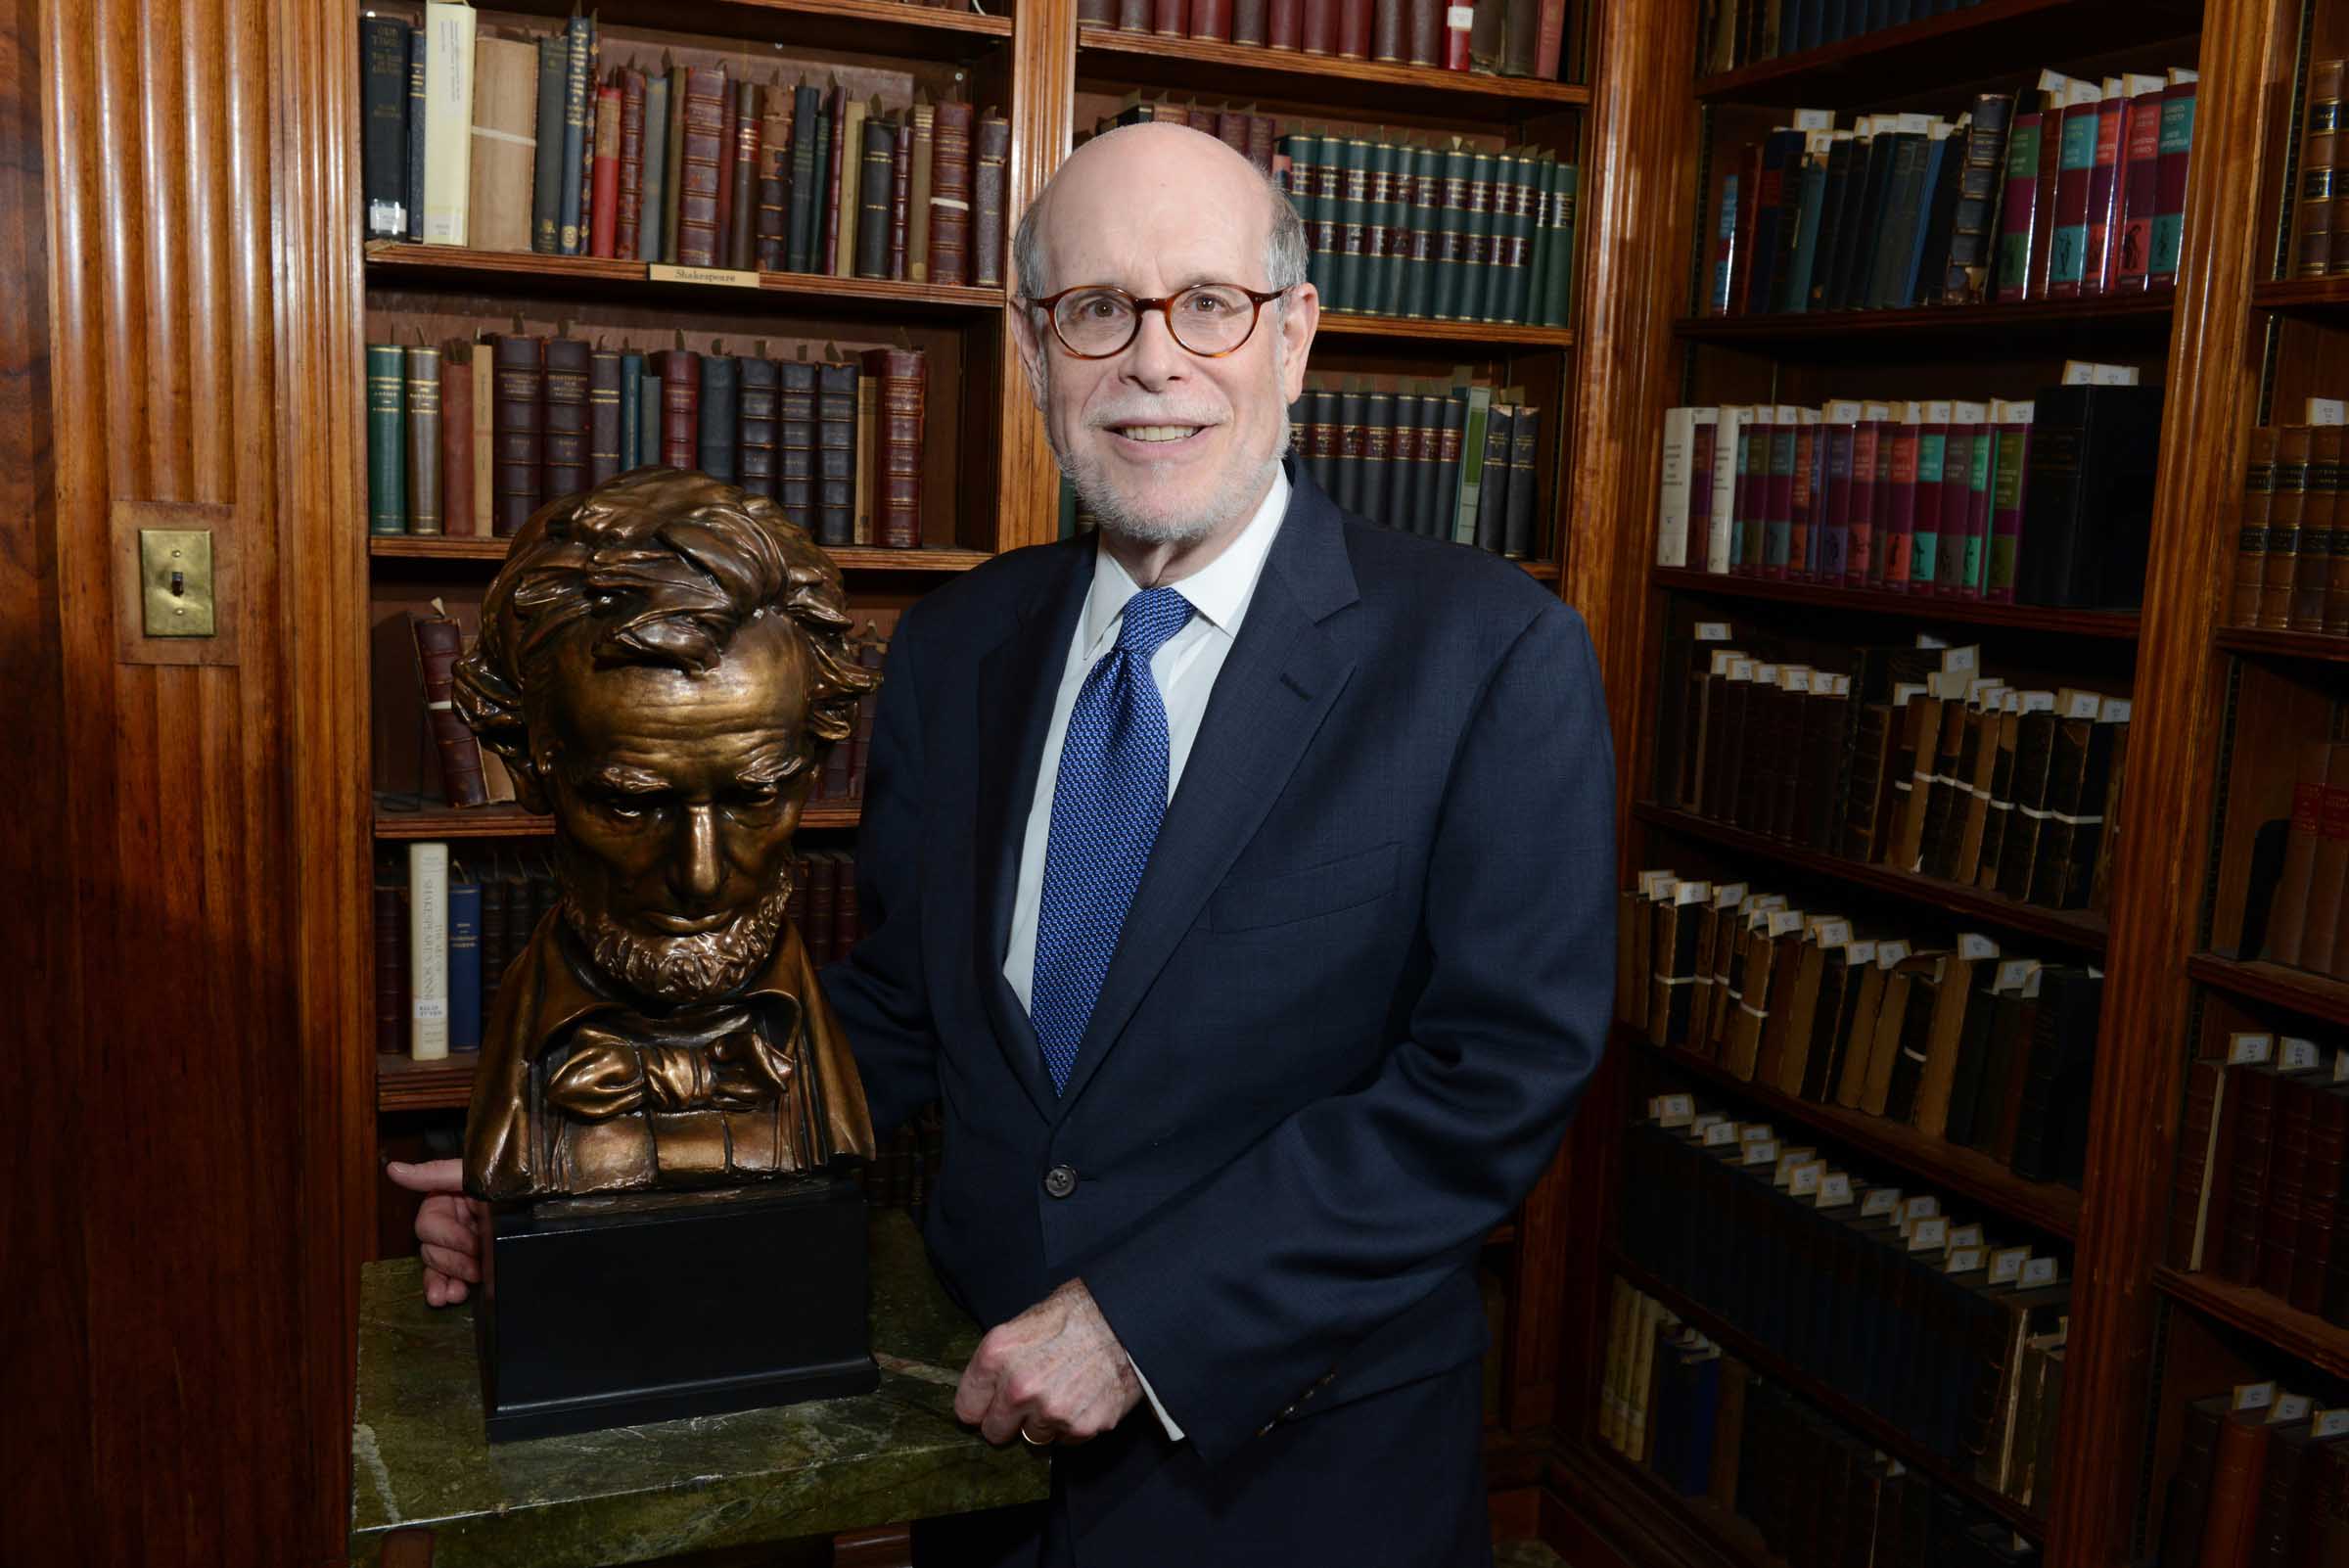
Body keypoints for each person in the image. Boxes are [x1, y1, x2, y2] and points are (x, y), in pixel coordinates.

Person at [392, 121, 1615, 1566]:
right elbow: (909, 1007)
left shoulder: (1489, 654)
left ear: (1294, 338)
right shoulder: (961, 644)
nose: (1153, 362)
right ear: (1035, 353)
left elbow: (1494, 1079)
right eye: (1097, 309)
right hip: (981, 1459)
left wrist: (1144, 1323)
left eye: (1207, 304)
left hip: (1294, 1472)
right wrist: (599, 1179)